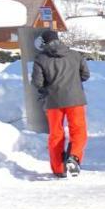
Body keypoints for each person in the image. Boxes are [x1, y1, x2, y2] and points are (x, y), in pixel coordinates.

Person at [30, 30, 89, 178]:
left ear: (44, 43)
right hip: (75, 100)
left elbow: (37, 83)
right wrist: (73, 83)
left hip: (53, 101)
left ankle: (58, 169)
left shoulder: (40, 59)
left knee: (56, 134)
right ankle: (74, 157)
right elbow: (85, 75)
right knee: (78, 131)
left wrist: (46, 88)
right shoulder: (75, 55)